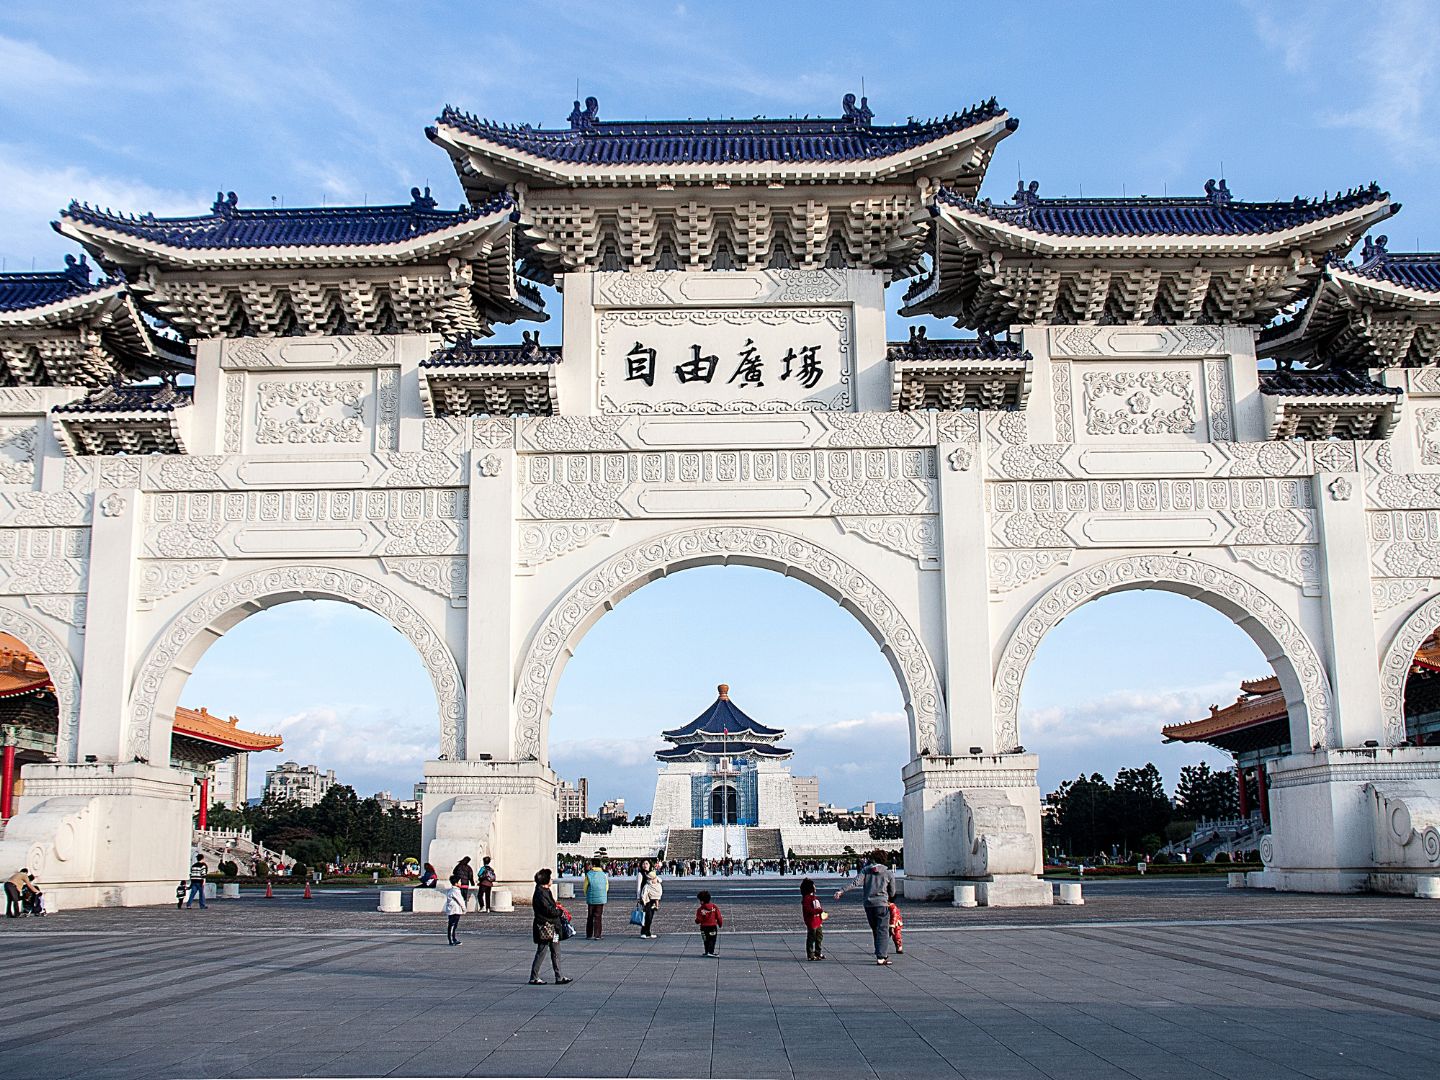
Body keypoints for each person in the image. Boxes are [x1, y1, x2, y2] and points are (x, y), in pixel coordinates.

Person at [834, 852, 896, 964]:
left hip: (868, 904)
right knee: (883, 929)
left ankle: (879, 951)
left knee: (875, 929)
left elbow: (855, 882)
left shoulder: (866, 870)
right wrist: (889, 897)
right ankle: (882, 956)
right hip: (881, 903)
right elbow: (892, 891)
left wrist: (841, 890)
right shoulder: (888, 873)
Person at [528, 868, 572, 985]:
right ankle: (534, 976)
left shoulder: (545, 891)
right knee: (542, 951)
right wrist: (559, 911)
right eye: (550, 877)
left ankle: (559, 976)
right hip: (546, 927)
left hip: (553, 928)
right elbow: (548, 910)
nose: (552, 879)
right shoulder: (540, 894)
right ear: (545, 880)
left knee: (556, 952)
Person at [800, 877, 827, 961]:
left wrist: (821, 914)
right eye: (814, 886)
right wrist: (818, 911)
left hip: (818, 921)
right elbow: (809, 910)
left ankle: (818, 952)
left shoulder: (814, 897)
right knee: (811, 937)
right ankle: (810, 954)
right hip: (811, 921)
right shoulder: (807, 899)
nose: (815, 887)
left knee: (819, 937)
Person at [636, 858, 663, 939]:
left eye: (647, 863)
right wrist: (638, 897)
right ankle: (643, 932)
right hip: (645, 897)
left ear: (650, 865)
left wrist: (656, 879)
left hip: (653, 897)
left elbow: (660, 880)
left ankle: (648, 932)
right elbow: (638, 886)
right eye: (643, 864)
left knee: (651, 915)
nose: (645, 865)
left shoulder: (652, 873)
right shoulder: (640, 874)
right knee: (647, 914)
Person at [583, 858, 609, 939]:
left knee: (590, 916)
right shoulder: (603, 874)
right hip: (600, 899)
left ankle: (589, 934)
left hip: (591, 898)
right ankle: (597, 935)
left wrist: (586, 894)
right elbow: (606, 886)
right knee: (598, 916)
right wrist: (602, 894)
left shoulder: (589, 874)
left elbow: (585, 887)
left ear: (593, 865)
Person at [694, 889, 723, 957]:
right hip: (713, 926)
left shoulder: (700, 909)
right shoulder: (714, 907)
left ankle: (707, 951)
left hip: (703, 927)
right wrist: (720, 923)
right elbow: (719, 916)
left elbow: (699, 919)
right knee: (712, 939)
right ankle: (711, 951)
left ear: (702, 901)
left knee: (705, 940)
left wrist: (697, 921)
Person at [443, 874, 466, 946]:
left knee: (452, 924)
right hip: (455, 910)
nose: (461, 883)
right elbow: (460, 900)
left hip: (452, 910)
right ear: (456, 883)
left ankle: (453, 938)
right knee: (453, 925)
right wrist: (464, 908)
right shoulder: (455, 891)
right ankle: (452, 939)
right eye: (459, 881)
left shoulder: (452, 890)